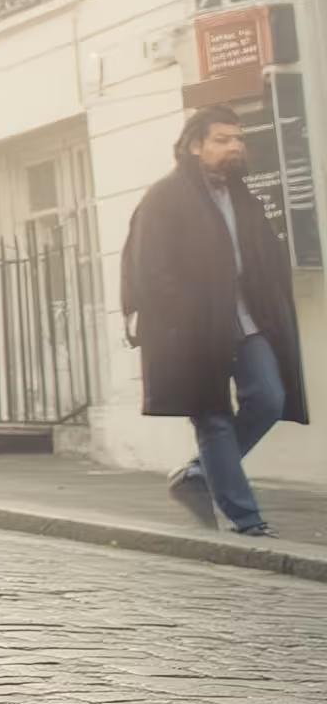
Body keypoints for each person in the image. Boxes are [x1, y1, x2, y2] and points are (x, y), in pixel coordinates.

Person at [123, 105, 303, 538]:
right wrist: (184, 314)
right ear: (195, 145)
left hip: (245, 317)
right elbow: (150, 267)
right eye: (222, 139)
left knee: (269, 398)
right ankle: (246, 518)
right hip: (194, 326)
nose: (235, 146)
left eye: (238, 138)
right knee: (213, 415)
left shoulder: (243, 197)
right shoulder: (165, 196)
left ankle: (198, 474)